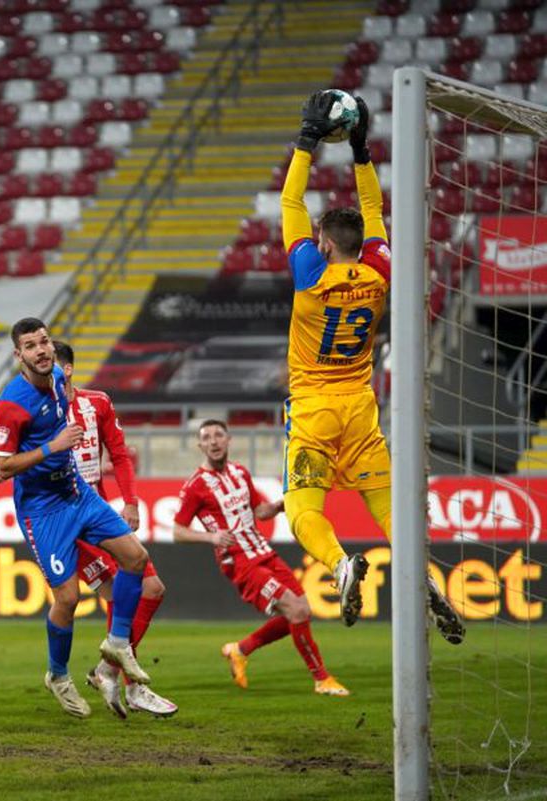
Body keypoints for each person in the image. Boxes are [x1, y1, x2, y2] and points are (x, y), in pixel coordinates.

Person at [281, 92, 464, 642]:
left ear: (322, 244)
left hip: (314, 413)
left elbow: (291, 204)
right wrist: (360, 151)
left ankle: (338, 563)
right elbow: (376, 214)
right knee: (391, 516)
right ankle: (427, 581)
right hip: (362, 412)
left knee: (301, 506)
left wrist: (307, 143)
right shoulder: (380, 272)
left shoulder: (311, 276)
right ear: (358, 245)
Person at [0, 341, 174, 718]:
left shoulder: (93, 402)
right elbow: (1, 457)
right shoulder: (20, 403)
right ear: (21, 356)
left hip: (86, 497)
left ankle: (113, 662)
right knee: (77, 597)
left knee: (145, 581)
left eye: (48, 349)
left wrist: (131, 499)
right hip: (49, 512)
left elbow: (119, 453)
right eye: (33, 348)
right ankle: (103, 678)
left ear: (66, 369)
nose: (47, 359)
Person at [173, 420, 348, 696]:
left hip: (263, 551)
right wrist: (212, 537)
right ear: (200, 445)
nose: (214, 441)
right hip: (239, 561)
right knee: (297, 611)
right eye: (206, 437)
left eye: (219, 435)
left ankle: (240, 650)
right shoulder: (196, 486)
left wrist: (281, 505)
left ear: (229, 440)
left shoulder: (241, 473)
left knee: (301, 611)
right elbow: (178, 531)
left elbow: (261, 511)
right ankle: (321, 679)